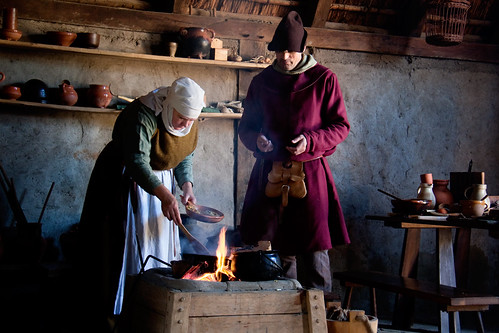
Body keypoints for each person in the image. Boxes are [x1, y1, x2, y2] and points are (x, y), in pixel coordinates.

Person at [77, 77, 205, 331]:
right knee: (125, 250)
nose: (186, 124)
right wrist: (164, 196)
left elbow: (182, 155)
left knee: (159, 247)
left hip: (160, 183)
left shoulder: (189, 119)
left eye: (191, 120)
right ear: (170, 107)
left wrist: (186, 186)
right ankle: (120, 315)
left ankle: (154, 309)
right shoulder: (143, 114)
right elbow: (137, 161)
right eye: (182, 118)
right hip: (126, 180)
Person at [238, 11, 350, 293]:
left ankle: (319, 314)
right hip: (269, 174)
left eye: (290, 51)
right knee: (274, 248)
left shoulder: (324, 79)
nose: (284, 57)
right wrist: (258, 140)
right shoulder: (262, 82)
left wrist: (310, 141)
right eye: (279, 51)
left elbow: (340, 126)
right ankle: (282, 317)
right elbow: (247, 127)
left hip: (310, 174)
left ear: (302, 49)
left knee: (314, 249)